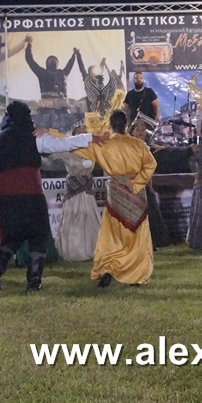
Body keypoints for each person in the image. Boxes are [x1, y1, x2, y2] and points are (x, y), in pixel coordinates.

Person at [0, 101, 104, 293]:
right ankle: (33, 283)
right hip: (31, 196)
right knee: (38, 237)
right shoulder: (35, 137)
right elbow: (64, 143)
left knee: (11, 237)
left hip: (6, 198)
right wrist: (89, 137)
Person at [73, 110, 157, 287]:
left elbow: (76, 148)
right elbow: (151, 164)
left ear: (110, 124)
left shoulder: (103, 144)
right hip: (135, 192)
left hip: (115, 191)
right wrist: (136, 183)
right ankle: (135, 273)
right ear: (126, 125)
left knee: (112, 232)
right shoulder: (138, 144)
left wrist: (54, 136)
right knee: (136, 232)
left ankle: (109, 268)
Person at [45, 125, 102, 261]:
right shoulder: (67, 150)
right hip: (73, 191)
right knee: (74, 216)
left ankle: (92, 248)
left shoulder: (93, 149)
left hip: (87, 191)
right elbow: (51, 153)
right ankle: (73, 250)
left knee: (88, 216)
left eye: (84, 133)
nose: (81, 135)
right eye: (78, 134)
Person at [130, 121, 170, 251]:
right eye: (137, 129)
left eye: (142, 129)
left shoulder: (148, 147)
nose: (140, 132)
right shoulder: (129, 147)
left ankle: (152, 242)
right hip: (135, 185)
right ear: (132, 132)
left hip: (146, 185)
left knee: (151, 214)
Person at [24, 35, 76, 129]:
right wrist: (29, 45)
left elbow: (69, 65)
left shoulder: (62, 73)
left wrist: (74, 55)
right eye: (50, 59)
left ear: (57, 64)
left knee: (63, 131)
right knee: (45, 131)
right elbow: (30, 60)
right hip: (47, 106)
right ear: (47, 64)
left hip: (61, 107)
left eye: (54, 60)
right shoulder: (42, 73)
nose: (52, 60)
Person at [74, 48, 117, 116]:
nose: (94, 74)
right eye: (92, 72)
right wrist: (78, 55)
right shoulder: (87, 78)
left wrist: (103, 62)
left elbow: (100, 68)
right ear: (89, 73)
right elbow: (81, 67)